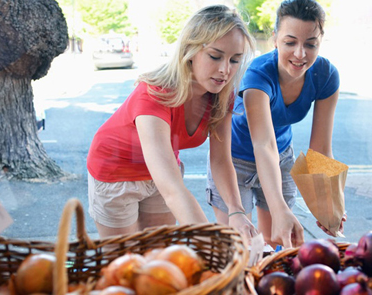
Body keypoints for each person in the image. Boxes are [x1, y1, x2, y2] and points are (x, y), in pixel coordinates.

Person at [87, 5, 258, 240]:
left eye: (235, 60)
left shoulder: (222, 95)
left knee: (159, 257)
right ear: (190, 50)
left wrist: (236, 211)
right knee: (125, 262)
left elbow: (220, 159)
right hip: (116, 173)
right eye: (215, 56)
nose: (224, 70)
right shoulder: (153, 94)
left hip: (163, 172)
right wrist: (212, 240)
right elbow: (173, 190)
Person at [206, 0, 346, 248]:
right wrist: (279, 206)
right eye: (290, 42)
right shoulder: (258, 75)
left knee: (277, 243)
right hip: (234, 161)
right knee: (242, 247)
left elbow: (321, 149)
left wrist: (330, 202)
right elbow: (263, 144)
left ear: (320, 41)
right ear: (275, 39)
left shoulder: (326, 75)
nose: (300, 54)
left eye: (310, 44)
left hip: (280, 157)